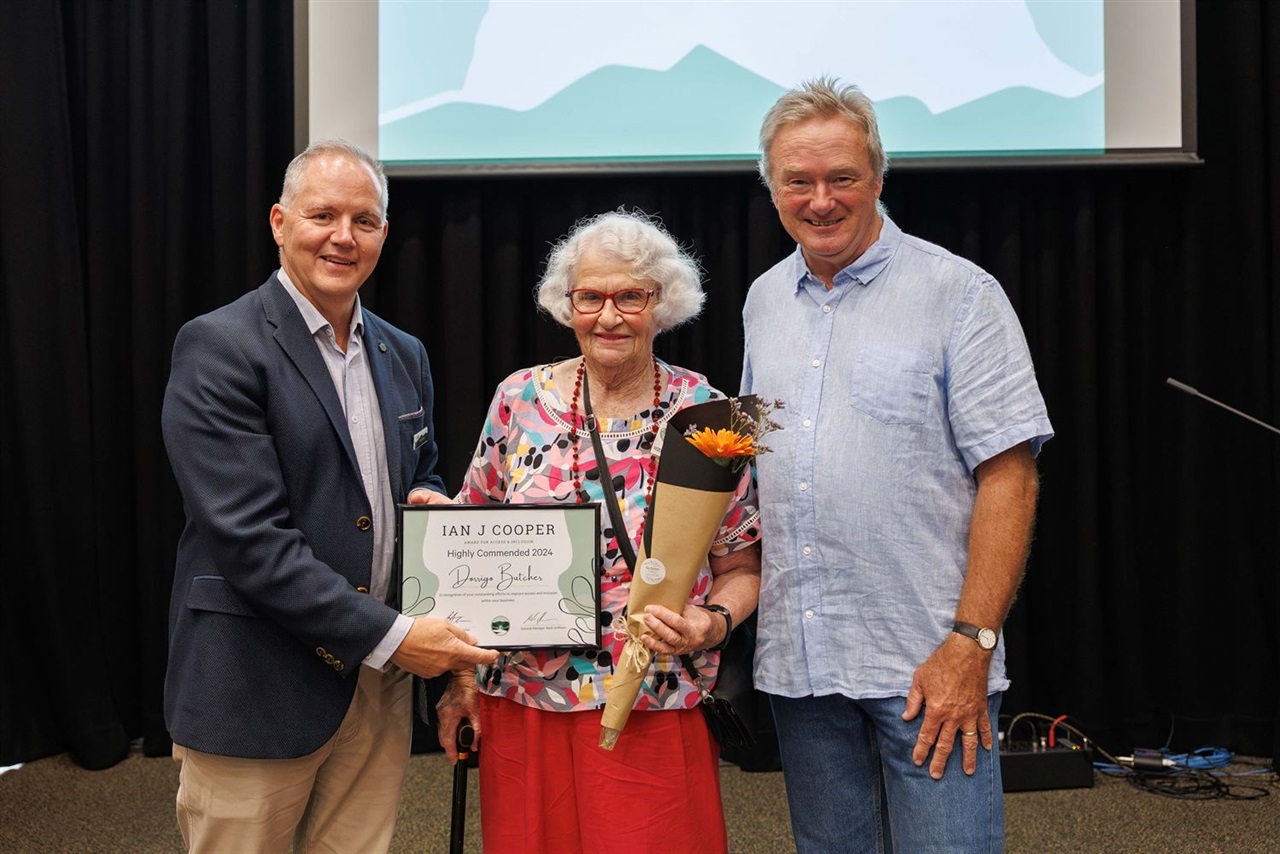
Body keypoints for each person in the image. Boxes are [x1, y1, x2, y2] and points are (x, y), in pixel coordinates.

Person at [741, 78, 1054, 852]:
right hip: (803, 664)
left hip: (926, 664)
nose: (821, 199)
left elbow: (1009, 476)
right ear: (772, 188)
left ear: (879, 178)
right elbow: (756, 468)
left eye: (842, 177)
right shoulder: (763, 301)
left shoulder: (961, 295)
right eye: (798, 181)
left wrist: (970, 645)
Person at [160, 138, 498, 853]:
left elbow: (420, 475)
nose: (344, 237)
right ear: (280, 222)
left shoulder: (403, 352)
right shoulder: (219, 346)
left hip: (374, 689)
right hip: (259, 682)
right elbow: (251, 543)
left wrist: (431, 511)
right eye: (323, 215)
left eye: (365, 220)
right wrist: (401, 638)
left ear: (383, 232)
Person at [438, 209, 762, 853]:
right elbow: (466, 548)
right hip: (525, 701)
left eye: (629, 296)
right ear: (568, 303)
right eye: (590, 296)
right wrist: (459, 687)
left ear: (662, 302)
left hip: (652, 698)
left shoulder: (707, 413)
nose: (608, 315)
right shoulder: (519, 399)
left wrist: (711, 624)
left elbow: (743, 565)